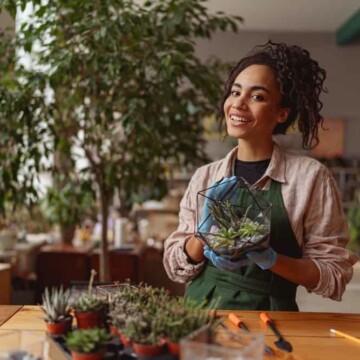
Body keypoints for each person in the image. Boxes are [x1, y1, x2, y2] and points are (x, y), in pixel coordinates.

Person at [163, 40, 358, 311]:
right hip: (201, 314)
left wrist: (270, 258)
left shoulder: (310, 178)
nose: (238, 104)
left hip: (271, 317)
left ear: (282, 113)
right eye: (235, 92)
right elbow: (176, 269)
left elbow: (334, 274)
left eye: (257, 97)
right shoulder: (205, 177)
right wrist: (201, 236)